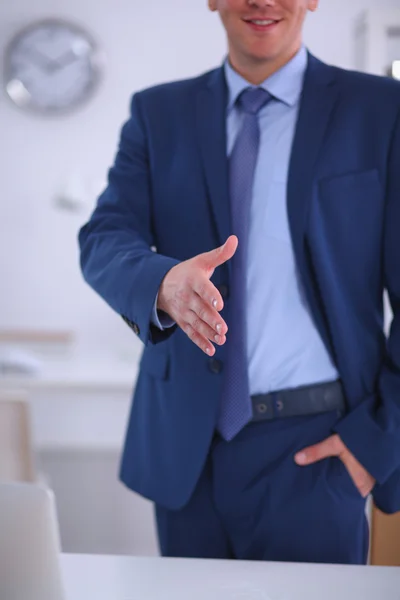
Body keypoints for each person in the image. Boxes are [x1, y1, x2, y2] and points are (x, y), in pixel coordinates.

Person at [78, 0, 400, 564]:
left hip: (320, 452)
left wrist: (373, 444)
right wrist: (162, 283)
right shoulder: (159, 113)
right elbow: (104, 237)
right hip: (186, 453)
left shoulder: (380, 110)